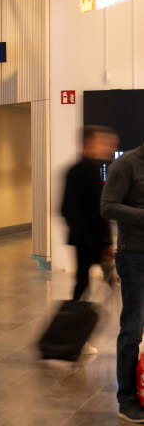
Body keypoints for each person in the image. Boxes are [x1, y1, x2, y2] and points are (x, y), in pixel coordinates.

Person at [102, 141, 144, 422]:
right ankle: (126, 399)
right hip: (135, 258)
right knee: (132, 329)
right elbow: (107, 206)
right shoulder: (126, 164)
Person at [62, 126, 117, 302]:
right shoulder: (91, 171)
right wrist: (106, 242)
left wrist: (77, 230)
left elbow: (64, 208)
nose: (109, 147)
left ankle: (75, 318)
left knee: (82, 282)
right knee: (103, 281)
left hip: (81, 238)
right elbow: (99, 211)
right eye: (103, 142)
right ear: (90, 143)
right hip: (95, 241)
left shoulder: (73, 170)